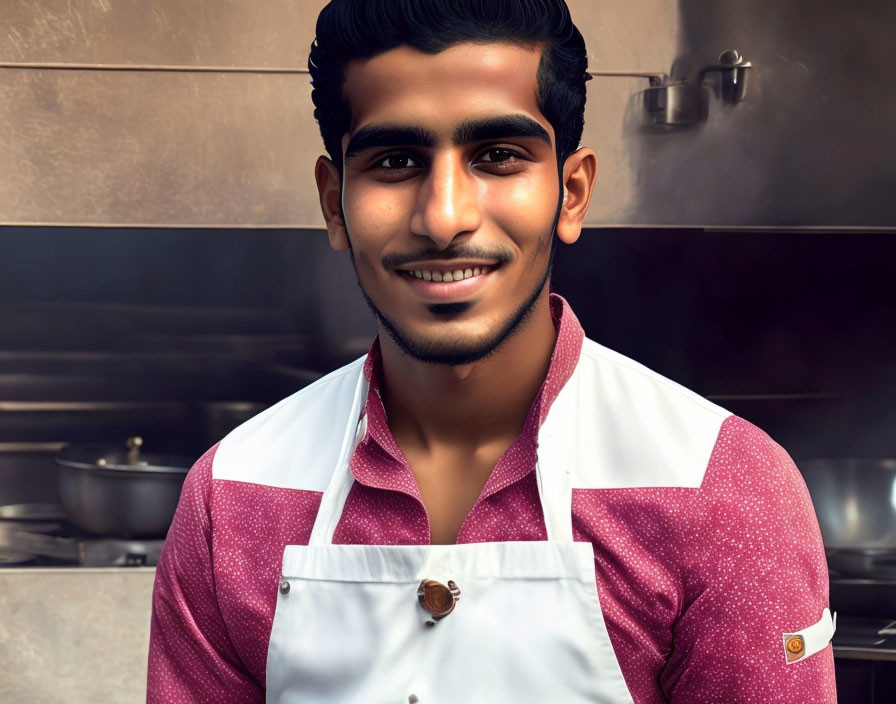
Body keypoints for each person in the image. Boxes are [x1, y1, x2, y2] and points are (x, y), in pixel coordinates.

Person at [147, 1, 837, 701]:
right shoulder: (229, 499)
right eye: (395, 161)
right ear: (335, 204)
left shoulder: (724, 490)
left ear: (570, 194)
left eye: (498, 156)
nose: (444, 217)